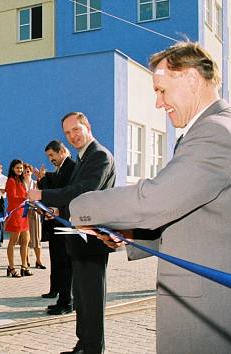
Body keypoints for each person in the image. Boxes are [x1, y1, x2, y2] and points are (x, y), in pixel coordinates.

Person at [69, 42, 231, 354]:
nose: (158, 103)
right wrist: (133, 236)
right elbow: (203, 219)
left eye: (161, 90)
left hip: (208, 311)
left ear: (192, 80)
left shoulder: (215, 132)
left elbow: (154, 200)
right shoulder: (209, 130)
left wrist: (80, 206)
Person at [28, 112, 115, 354]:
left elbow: (83, 190)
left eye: (76, 129)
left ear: (88, 126)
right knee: (82, 298)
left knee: (92, 299)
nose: (72, 136)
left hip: (92, 241)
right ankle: (84, 345)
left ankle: (93, 349)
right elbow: (77, 199)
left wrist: (43, 195)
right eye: (67, 133)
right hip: (79, 239)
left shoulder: (99, 155)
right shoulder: (84, 158)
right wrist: (56, 209)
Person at [36, 140, 75, 313]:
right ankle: (60, 295)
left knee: (65, 263)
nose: (50, 159)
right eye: (48, 156)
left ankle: (66, 302)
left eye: (52, 155)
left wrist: (56, 208)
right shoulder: (61, 169)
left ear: (62, 152)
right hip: (56, 222)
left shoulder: (70, 167)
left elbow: (64, 192)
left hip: (65, 222)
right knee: (59, 260)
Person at [4, 159, 32, 277]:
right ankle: (11, 267)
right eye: (17, 168)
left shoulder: (21, 180)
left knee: (26, 240)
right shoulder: (10, 181)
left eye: (21, 168)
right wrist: (26, 197)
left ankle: (24, 266)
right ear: (12, 168)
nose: (20, 170)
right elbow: (12, 197)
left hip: (23, 213)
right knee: (13, 242)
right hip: (15, 213)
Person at [22, 163, 44, 269]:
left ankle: (38, 260)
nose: (26, 173)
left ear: (31, 172)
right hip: (23, 213)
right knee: (25, 238)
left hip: (34, 211)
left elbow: (41, 196)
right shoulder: (20, 184)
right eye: (25, 171)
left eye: (28, 171)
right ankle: (25, 261)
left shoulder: (35, 183)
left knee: (36, 237)